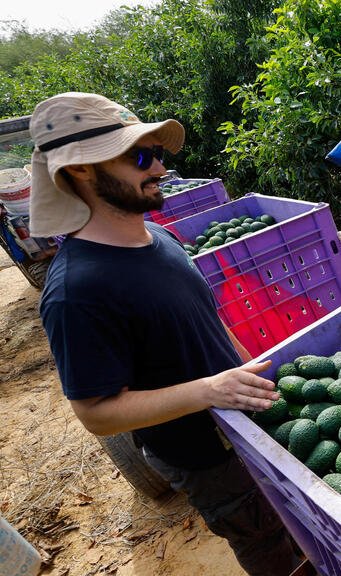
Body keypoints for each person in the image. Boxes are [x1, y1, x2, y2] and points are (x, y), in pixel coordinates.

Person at [29, 92, 299, 576]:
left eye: (155, 152)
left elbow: (207, 319)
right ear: (80, 171)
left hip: (246, 426)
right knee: (263, 538)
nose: (158, 167)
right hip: (204, 455)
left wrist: (248, 371)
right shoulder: (77, 292)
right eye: (138, 156)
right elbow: (96, 414)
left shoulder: (164, 238)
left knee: (295, 516)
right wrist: (207, 391)